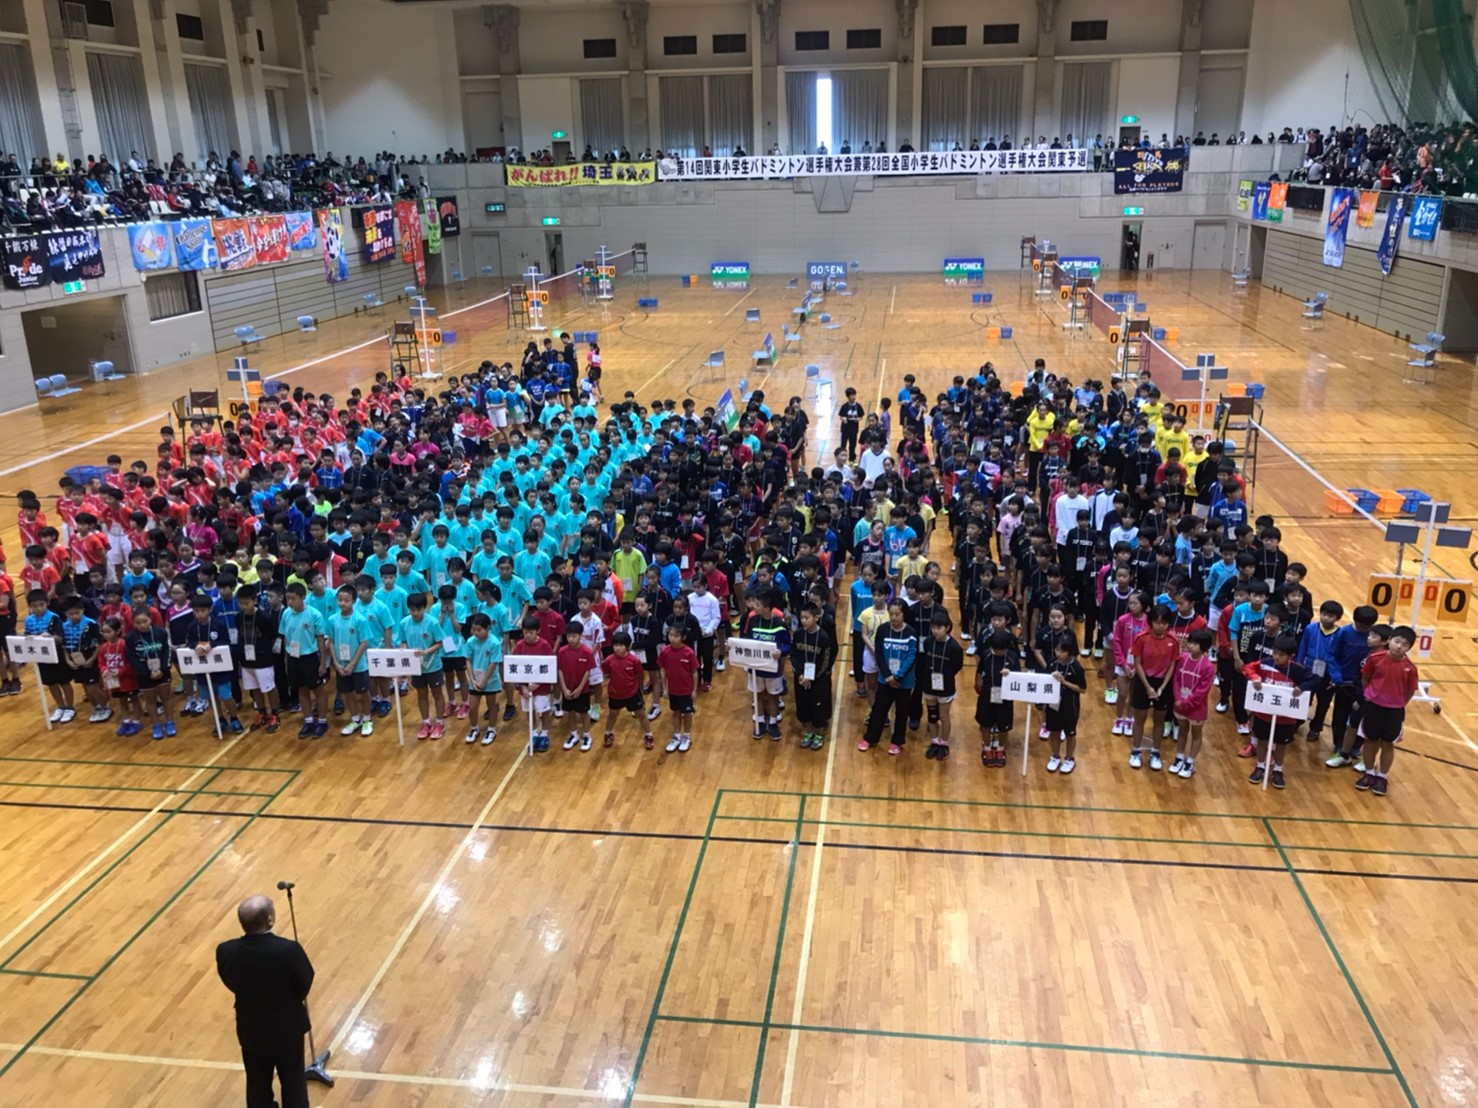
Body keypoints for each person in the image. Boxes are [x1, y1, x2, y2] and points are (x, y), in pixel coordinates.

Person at [215, 893, 315, 1108]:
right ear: (270, 919)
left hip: (251, 1028)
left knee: (257, 1081)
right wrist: (289, 1002)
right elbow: (305, 981)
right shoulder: (289, 950)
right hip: (287, 1028)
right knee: (293, 1082)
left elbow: (229, 979)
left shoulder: (226, 951)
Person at [1355, 625, 1419, 797]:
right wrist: (1371, 696)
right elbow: (1365, 678)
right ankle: (1369, 773)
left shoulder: (1411, 668)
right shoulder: (1375, 658)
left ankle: (1382, 777)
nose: (1399, 646)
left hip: (1394, 711)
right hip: (1373, 706)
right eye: (1397, 641)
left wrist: (1399, 703)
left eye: (1404, 644)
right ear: (1389, 640)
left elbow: (1410, 691)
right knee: (1370, 741)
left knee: (1387, 744)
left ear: (1409, 648)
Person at [859, 599, 917, 755]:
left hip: (904, 681)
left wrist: (897, 676)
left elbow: (911, 656)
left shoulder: (911, 632)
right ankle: (871, 737)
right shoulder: (883, 630)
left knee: (902, 712)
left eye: (897, 614)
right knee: (879, 709)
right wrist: (888, 675)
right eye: (891, 614)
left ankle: (897, 741)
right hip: (885, 679)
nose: (894, 617)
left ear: (904, 614)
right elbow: (878, 653)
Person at [1169, 628, 1216, 778]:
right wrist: (1177, 698)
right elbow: (1176, 679)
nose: (1191, 646)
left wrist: (1187, 702)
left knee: (1196, 734)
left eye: (1195, 644)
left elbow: (1202, 691)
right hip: (1179, 704)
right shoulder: (1182, 658)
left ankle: (1190, 761)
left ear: (1204, 647)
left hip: (1196, 708)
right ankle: (1179, 757)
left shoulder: (1208, 666)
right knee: (1182, 730)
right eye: (1190, 642)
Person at [791, 602, 836, 750]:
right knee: (804, 705)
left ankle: (819, 733)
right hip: (801, 679)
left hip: (818, 680)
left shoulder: (823, 637)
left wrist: (812, 677)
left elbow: (825, 661)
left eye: (807, 618)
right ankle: (809, 731)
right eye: (802, 618)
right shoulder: (798, 634)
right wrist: (800, 675)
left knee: (818, 707)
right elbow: (794, 656)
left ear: (816, 618)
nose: (803, 621)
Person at [1045, 637, 1086, 773]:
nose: (1058, 654)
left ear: (1069, 652)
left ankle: (1069, 759)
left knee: (1070, 734)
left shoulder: (1076, 667)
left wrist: (1064, 682)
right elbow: (1044, 680)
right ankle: (1055, 756)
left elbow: (1082, 689)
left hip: (1070, 707)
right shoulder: (1051, 663)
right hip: (1053, 705)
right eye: (1057, 650)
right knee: (1054, 732)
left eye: (1062, 651)